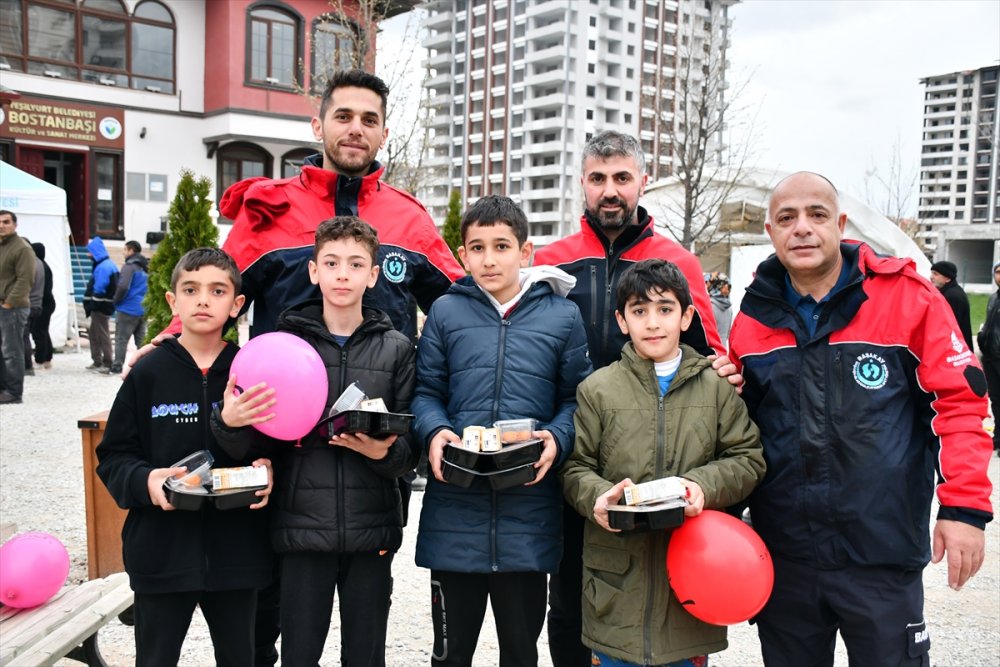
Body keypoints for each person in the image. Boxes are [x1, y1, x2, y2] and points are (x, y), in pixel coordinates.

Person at [135, 68, 463, 665]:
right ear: (318, 125)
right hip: (282, 454)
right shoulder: (273, 212)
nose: (355, 129)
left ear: (384, 133)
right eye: (343, 116)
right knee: (275, 613)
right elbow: (216, 293)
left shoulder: (409, 219)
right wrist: (162, 345)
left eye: (368, 119)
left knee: (367, 619)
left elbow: (460, 304)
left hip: (372, 465)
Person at [728, 172, 993, 667]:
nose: (802, 228)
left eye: (817, 214)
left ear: (841, 224)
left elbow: (959, 404)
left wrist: (963, 509)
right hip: (786, 558)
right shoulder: (752, 319)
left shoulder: (908, 299)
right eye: (786, 218)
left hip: (880, 555)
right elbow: (740, 435)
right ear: (770, 232)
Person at [533, 131, 729, 667]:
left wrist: (728, 372)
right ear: (582, 183)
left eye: (622, 177)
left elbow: (708, 355)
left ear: (642, 181)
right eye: (598, 178)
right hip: (575, 455)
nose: (610, 190)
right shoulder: (551, 262)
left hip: (655, 460)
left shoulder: (678, 262)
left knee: (658, 595)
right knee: (570, 595)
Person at [214, 217, 417, 666]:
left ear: (373, 275)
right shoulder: (282, 345)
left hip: (371, 529)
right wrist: (229, 423)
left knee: (365, 657)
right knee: (300, 655)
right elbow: (257, 443)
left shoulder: (397, 349)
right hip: (301, 528)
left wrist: (384, 452)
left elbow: (410, 447)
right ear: (313, 271)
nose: (343, 274)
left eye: (356, 264)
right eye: (331, 262)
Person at [412, 195, 591, 666]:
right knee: (450, 655)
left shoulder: (562, 316)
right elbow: (426, 391)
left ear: (525, 251)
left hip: (527, 515)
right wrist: (435, 432)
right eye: (477, 248)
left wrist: (557, 437)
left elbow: (576, 399)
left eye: (501, 246)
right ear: (463, 254)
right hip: (455, 512)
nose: (489, 259)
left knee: (520, 651)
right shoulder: (446, 312)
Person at [561, 259, 766, 667]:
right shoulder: (597, 389)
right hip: (615, 588)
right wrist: (599, 497)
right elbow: (574, 468)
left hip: (691, 585)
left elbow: (747, 459)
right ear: (622, 321)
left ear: (686, 316)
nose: (653, 323)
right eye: (639, 311)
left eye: (665, 309)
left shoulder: (716, 387)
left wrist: (701, 486)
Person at [96, 248, 275, 666]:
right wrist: (146, 481)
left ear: (237, 304)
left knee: (243, 657)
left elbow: (274, 444)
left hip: (239, 553)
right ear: (173, 301)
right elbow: (114, 455)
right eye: (191, 290)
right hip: (161, 553)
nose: (203, 300)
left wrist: (270, 468)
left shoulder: (251, 371)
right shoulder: (148, 373)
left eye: (217, 291)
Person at [0, 209, 36, 404]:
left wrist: (9, 303)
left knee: (12, 351)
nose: (2, 226)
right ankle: (3, 389)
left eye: (6, 222)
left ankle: (14, 392)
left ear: (15, 225)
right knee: (2, 351)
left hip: (13, 308)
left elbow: (25, 280)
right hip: (3, 306)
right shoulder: (2, 246)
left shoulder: (22, 248)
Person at [111, 240, 149, 374]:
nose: (123, 252)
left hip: (127, 308)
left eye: (125, 249)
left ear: (131, 250)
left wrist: (115, 300)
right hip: (143, 308)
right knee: (141, 341)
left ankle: (117, 366)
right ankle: (146, 367)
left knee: (121, 339)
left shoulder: (129, 266)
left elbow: (123, 286)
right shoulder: (145, 267)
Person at [83, 237, 119, 373]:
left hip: (100, 307)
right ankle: (97, 360)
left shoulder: (103, 267)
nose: (88, 255)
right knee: (94, 333)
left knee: (102, 334)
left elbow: (99, 288)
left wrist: (92, 304)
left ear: (96, 252)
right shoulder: (108, 265)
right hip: (105, 305)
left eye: (90, 252)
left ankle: (107, 362)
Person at [978, 260, 1000, 455]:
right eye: (998, 272)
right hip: (991, 356)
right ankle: (998, 436)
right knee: (996, 399)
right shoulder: (994, 298)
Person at [930, 260, 973, 351]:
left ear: (948, 279)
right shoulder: (948, 292)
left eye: (936, 274)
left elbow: (950, 328)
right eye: (932, 273)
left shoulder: (952, 296)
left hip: (955, 350)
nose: (931, 277)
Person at [29, 242, 55, 370]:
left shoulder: (39, 267)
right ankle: (47, 357)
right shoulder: (45, 266)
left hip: (43, 303)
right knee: (43, 331)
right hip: (47, 302)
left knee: (38, 332)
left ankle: (40, 359)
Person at [22, 239, 44, 376]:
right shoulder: (39, 262)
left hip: (27, 304)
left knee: (22, 337)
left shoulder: (29, 263)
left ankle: (27, 366)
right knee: (25, 336)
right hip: (35, 304)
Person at [705, 271, 732, 346]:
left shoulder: (708, 306)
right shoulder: (729, 308)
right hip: (723, 347)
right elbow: (727, 334)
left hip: (710, 348)